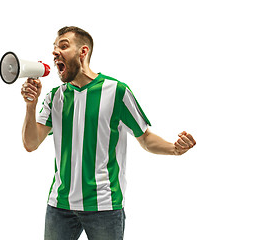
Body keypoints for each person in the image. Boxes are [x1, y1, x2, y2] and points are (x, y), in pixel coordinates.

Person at [21, 26, 196, 240]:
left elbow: (146, 138)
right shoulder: (54, 97)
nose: (55, 52)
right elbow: (31, 143)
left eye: (63, 46)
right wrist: (31, 105)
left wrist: (174, 149)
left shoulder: (117, 92)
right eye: (54, 47)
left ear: (83, 52)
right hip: (59, 206)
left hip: (104, 206)